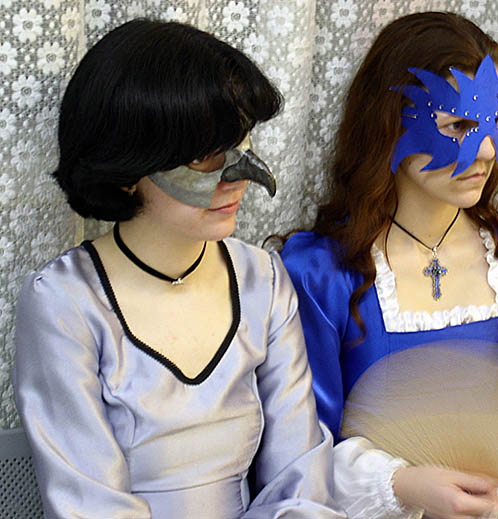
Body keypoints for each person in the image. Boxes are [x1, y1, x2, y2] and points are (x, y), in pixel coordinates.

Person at [12, 19, 346, 519]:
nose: (242, 177)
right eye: (204, 157)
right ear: (127, 170)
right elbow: (90, 504)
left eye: (243, 143)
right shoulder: (65, 301)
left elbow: (300, 480)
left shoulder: (264, 280)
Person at [280, 12, 498, 519]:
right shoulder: (321, 274)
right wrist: (402, 485)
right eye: (459, 126)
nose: (486, 150)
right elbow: (300, 455)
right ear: (389, 125)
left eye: (495, 122)